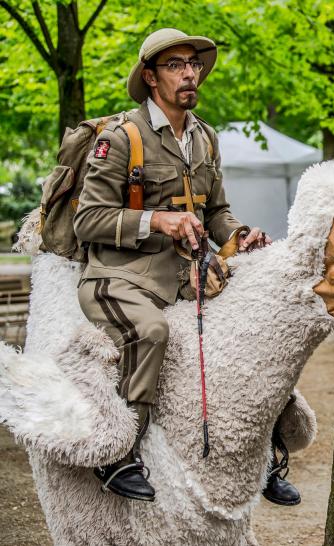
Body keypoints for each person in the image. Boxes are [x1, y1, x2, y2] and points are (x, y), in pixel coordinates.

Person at [73, 28, 298, 505]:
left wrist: (238, 235)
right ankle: (118, 452)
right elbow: (88, 219)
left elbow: (215, 211)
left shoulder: (205, 138)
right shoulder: (121, 137)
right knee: (151, 331)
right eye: (175, 65)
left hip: (189, 277)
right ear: (151, 77)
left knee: (264, 329)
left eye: (194, 64)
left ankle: (265, 455)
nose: (190, 73)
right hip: (120, 278)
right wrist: (158, 220)